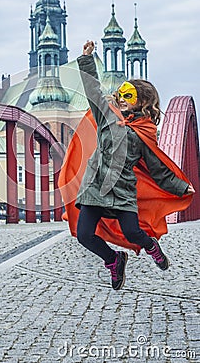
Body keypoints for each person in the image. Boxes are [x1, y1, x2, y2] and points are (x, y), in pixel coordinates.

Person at [61, 40, 195, 291]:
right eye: (120, 94)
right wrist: (87, 60)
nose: (121, 99)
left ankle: (151, 246)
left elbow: (157, 167)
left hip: (123, 193)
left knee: (133, 233)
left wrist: (180, 187)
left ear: (142, 101)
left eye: (128, 96)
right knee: (84, 235)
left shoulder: (144, 132)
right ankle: (113, 260)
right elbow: (93, 92)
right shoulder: (108, 118)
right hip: (95, 189)